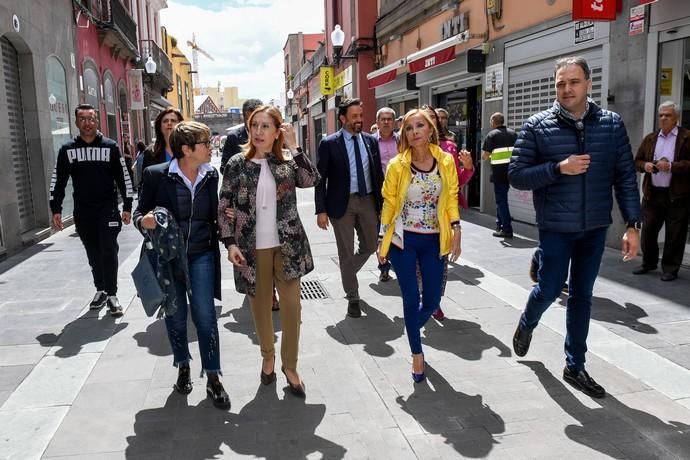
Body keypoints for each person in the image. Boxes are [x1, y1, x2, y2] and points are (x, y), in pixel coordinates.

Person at [508, 56, 641, 399]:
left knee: (582, 296)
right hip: (555, 226)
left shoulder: (611, 124)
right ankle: (528, 321)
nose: (566, 89)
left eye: (573, 82)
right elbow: (516, 174)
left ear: (589, 84)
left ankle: (575, 365)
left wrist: (632, 224)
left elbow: (625, 176)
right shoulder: (537, 125)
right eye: (561, 83)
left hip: (595, 227)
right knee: (550, 290)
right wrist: (558, 169)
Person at [219, 105, 319, 397]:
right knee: (260, 307)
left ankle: (290, 365)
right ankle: (267, 356)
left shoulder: (287, 162)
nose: (259, 132)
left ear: (278, 131)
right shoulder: (237, 163)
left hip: (287, 245)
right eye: (255, 126)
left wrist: (295, 147)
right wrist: (230, 243)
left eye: (266, 126)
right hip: (251, 248)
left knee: (291, 307)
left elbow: (311, 180)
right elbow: (224, 205)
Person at [134, 121, 229, 409]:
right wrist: (143, 220)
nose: (210, 148)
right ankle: (183, 365)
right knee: (175, 316)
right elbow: (140, 211)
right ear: (187, 150)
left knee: (205, 315)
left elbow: (214, 215)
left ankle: (213, 377)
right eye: (205, 143)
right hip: (168, 258)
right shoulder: (156, 176)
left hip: (201, 254)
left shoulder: (210, 175)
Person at [376, 108, 461, 382]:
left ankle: (411, 327)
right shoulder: (397, 165)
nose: (414, 132)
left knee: (433, 299)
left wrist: (456, 227)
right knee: (411, 298)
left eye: (419, 126)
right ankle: (417, 354)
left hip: (435, 239)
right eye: (409, 128)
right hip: (404, 239)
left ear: (429, 129)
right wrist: (382, 239)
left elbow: (451, 197)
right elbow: (389, 202)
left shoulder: (445, 161)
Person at [49, 103, 133, 317]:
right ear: (76, 122)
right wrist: (55, 208)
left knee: (108, 248)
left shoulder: (110, 147)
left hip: (108, 208)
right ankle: (101, 289)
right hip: (83, 211)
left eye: (91, 118)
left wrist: (128, 205)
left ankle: (112, 294)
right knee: (93, 252)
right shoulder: (67, 150)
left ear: (97, 121)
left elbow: (123, 177)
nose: (87, 123)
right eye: (83, 119)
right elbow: (59, 180)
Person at [315, 98, 384, 318]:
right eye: (354, 117)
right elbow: (320, 178)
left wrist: (382, 204)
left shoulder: (371, 142)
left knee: (372, 244)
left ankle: (347, 272)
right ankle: (352, 297)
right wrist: (321, 210)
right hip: (340, 204)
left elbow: (378, 175)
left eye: (361, 116)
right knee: (345, 251)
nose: (359, 120)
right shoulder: (329, 143)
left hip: (368, 200)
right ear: (343, 118)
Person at [422, 105, 474, 322]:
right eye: (426, 119)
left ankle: (434, 301)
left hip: (442, 213)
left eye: (434, 119)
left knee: (439, 261)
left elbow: (457, 182)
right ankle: (424, 298)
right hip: (414, 216)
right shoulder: (408, 147)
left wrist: (468, 168)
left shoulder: (448, 148)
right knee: (418, 265)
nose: (432, 123)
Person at [633, 101, 690, 282]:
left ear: (676, 117)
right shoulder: (651, 138)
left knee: (675, 234)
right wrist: (646, 165)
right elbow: (637, 161)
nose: (664, 118)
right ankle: (648, 262)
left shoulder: (686, 137)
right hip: (653, 193)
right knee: (648, 231)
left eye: (668, 115)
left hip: (677, 195)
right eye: (661, 115)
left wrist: (672, 166)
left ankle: (670, 268)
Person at [481, 112, 518, 238]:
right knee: (501, 199)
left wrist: (487, 156)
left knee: (501, 200)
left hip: (499, 173)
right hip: (512, 171)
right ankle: (500, 225)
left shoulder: (492, 135)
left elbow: (485, 155)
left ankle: (507, 228)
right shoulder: (513, 134)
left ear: (493, 122)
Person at [374, 107, 399, 282]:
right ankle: (384, 267)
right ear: (377, 122)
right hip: (380, 193)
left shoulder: (402, 141)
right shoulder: (370, 142)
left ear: (395, 122)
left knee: (398, 229)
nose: (386, 122)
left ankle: (401, 263)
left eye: (389, 119)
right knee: (381, 230)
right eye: (383, 119)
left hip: (401, 193)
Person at [220, 98, 263, 174]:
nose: (253, 123)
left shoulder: (270, 136)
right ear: (243, 117)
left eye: (257, 119)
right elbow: (224, 167)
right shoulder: (233, 137)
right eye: (249, 119)